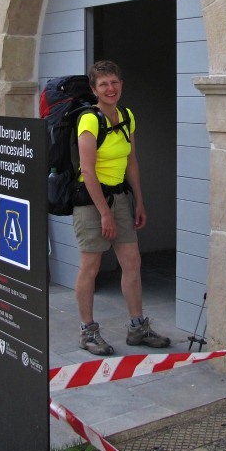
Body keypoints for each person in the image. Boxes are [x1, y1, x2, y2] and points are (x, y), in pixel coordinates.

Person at [72, 60, 170, 355]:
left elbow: (131, 161)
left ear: (121, 85)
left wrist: (138, 200)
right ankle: (88, 331)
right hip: (91, 201)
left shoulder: (126, 116)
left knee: (132, 262)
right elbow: (87, 171)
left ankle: (137, 327)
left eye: (114, 82)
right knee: (91, 266)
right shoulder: (89, 120)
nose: (110, 88)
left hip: (120, 199)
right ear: (94, 90)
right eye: (103, 84)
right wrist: (104, 213)